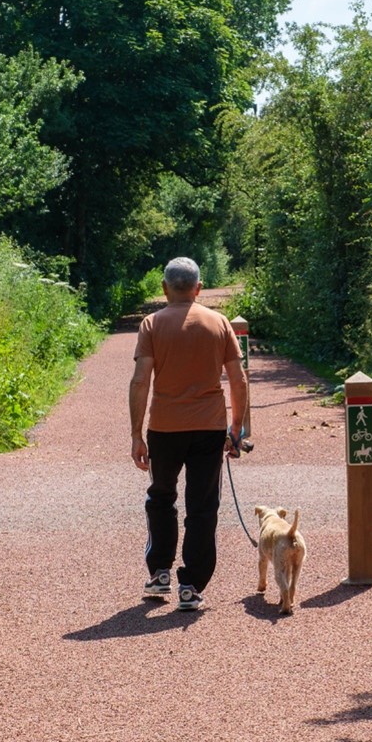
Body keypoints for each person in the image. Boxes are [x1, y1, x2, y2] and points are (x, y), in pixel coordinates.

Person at [129, 257, 249, 611]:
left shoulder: (151, 324)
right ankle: (192, 585)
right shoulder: (219, 323)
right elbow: (238, 380)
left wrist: (137, 434)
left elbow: (140, 381)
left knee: (161, 497)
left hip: (164, 427)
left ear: (165, 288)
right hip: (210, 427)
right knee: (202, 506)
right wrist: (237, 426)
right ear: (199, 289)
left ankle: (160, 571)